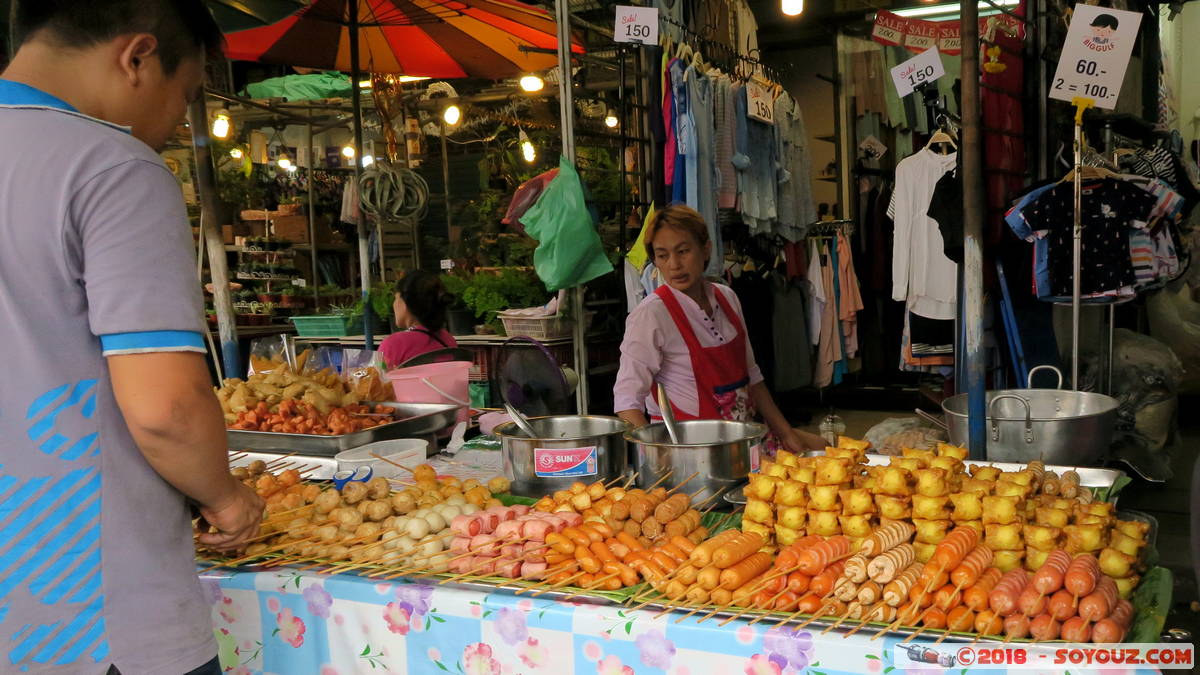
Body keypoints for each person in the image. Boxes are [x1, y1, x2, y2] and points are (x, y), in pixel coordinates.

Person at [0, 2, 263, 673]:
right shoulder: (111, 167)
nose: (178, 121)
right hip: (89, 613)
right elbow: (166, 410)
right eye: (186, 94)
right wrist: (226, 500)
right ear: (138, 56)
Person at [614, 204, 826, 453]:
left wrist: (786, 433)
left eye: (683, 251)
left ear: (706, 250)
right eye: (662, 255)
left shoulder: (727, 298)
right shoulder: (651, 314)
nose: (674, 265)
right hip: (693, 450)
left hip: (745, 436)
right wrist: (660, 456)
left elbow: (752, 377)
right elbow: (627, 403)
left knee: (824, 449)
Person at [379, 270, 459, 369]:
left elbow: (376, 382)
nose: (394, 304)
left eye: (396, 298)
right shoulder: (448, 339)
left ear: (405, 303)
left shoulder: (393, 344)